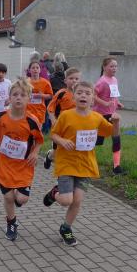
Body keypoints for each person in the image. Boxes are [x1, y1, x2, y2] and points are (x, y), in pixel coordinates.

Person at [42, 81, 120, 246]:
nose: (83, 95)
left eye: (87, 93)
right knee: (66, 200)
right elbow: (53, 135)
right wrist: (63, 141)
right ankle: (54, 193)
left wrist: (116, 122)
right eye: (79, 93)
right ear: (74, 97)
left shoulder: (96, 118)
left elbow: (112, 132)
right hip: (66, 163)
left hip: (85, 165)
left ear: (93, 99)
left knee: (76, 200)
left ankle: (66, 228)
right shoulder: (66, 115)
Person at [0, 79, 43, 241]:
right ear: (9, 98)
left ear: (29, 99)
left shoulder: (32, 120)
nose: (18, 98)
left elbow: (39, 140)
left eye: (23, 95)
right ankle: (11, 222)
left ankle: (17, 200)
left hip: (24, 166)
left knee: (21, 199)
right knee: (8, 197)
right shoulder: (1, 117)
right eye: (15, 94)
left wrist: (35, 153)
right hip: (4, 165)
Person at [93, 57, 125, 175]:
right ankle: (82, 159)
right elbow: (93, 96)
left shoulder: (114, 80)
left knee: (116, 138)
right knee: (96, 141)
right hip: (101, 115)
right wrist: (105, 103)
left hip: (113, 114)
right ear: (104, 67)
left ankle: (117, 167)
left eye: (116, 66)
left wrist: (118, 102)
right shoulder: (102, 81)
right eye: (111, 66)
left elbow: (113, 95)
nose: (114, 68)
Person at [44, 67, 81, 169]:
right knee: (56, 151)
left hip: (75, 128)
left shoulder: (81, 94)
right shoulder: (61, 93)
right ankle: (49, 156)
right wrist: (54, 120)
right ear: (65, 81)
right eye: (71, 78)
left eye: (76, 79)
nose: (74, 81)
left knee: (72, 148)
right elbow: (50, 108)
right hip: (61, 127)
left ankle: (66, 170)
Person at [27, 61, 53, 132]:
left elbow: (50, 95)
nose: (35, 69)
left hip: (40, 111)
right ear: (29, 70)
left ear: (40, 70)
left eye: (37, 68)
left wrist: (41, 95)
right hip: (28, 110)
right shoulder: (26, 82)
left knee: (37, 131)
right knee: (28, 131)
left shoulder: (45, 82)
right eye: (33, 68)